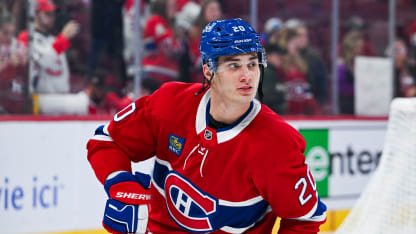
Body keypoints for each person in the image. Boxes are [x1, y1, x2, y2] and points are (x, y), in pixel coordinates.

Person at [87, 18, 327, 233]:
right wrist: (119, 182)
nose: (247, 76)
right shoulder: (170, 103)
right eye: (234, 65)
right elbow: (107, 141)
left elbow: (304, 220)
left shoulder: (277, 143)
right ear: (208, 70)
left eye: (252, 64)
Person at [17, 0, 80, 94]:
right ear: (35, 14)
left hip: (61, 98)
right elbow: (44, 62)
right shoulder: (26, 37)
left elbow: (61, 73)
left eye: (53, 14)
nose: (52, 17)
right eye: (47, 14)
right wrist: (63, 38)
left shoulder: (55, 40)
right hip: (39, 97)